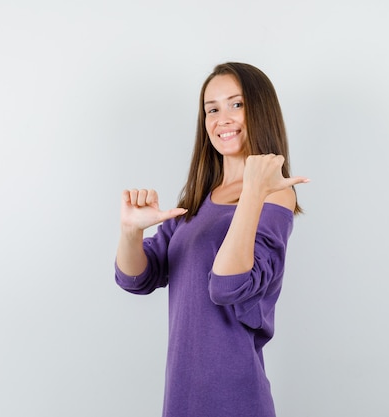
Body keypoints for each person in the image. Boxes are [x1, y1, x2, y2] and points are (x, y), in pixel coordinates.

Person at [114, 62, 308, 417]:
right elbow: (136, 278)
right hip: (183, 394)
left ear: (260, 111)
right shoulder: (200, 198)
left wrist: (253, 188)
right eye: (212, 109)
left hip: (233, 397)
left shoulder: (275, 197)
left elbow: (227, 286)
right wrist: (131, 232)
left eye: (237, 104)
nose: (223, 118)